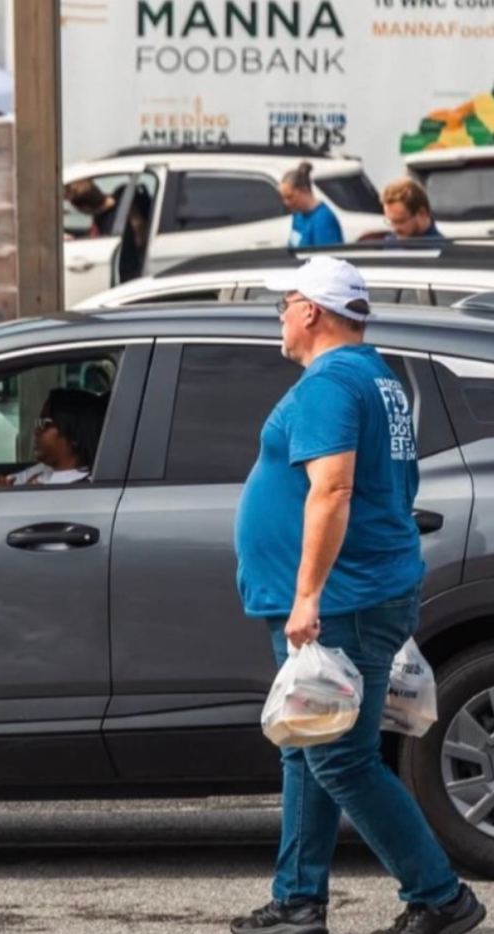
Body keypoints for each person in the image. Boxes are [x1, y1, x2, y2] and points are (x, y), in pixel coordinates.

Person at [230, 256, 484, 934]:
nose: (279, 316)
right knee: (305, 742)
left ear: (311, 310)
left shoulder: (333, 383)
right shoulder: (376, 377)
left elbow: (335, 488)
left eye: (284, 303)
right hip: (361, 591)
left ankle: (439, 898)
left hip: (339, 600)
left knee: (340, 757)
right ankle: (298, 901)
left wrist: (306, 595)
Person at [280, 161, 344, 248]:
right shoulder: (298, 215)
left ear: (304, 190)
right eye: (283, 198)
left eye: (290, 197)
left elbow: (327, 258)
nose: (286, 203)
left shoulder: (323, 220)